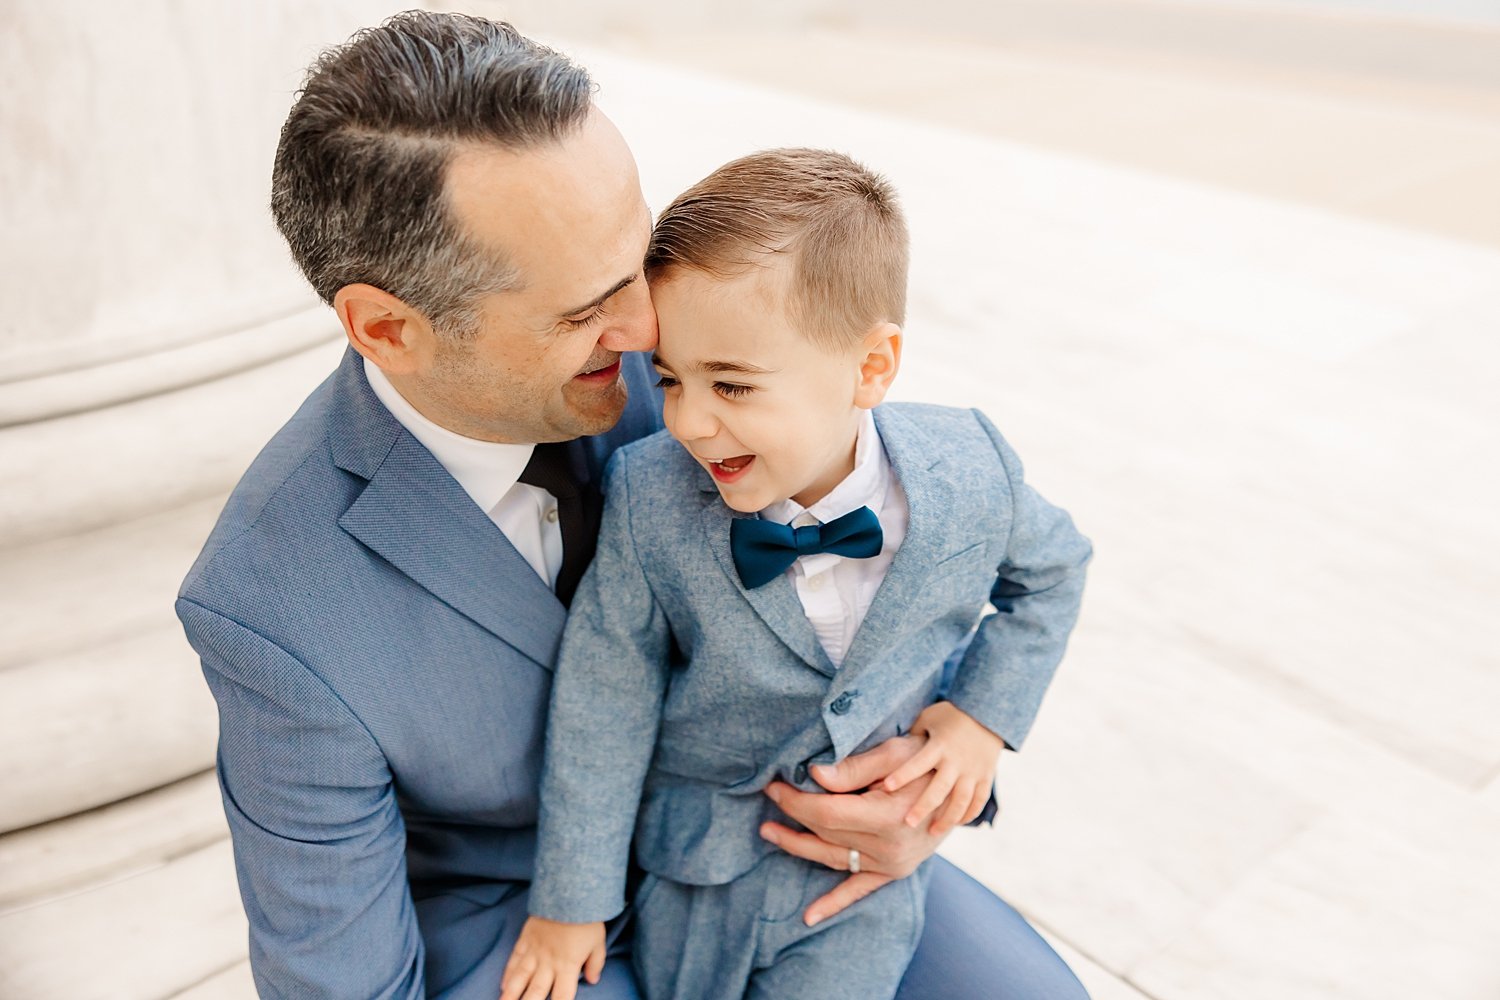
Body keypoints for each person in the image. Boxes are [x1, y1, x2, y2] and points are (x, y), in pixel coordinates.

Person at [176, 11, 1092, 999]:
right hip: (518, 932)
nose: (650, 327)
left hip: (785, 849)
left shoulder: (701, 369)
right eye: (583, 311)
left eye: (639, 261)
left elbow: (904, 562)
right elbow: (340, 980)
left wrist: (936, 768)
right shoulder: (268, 605)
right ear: (388, 328)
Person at [498, 149, 1092, 1000]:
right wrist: (572, 901)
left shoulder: (970, 473)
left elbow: (1056, 573)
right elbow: (606, 696)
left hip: (864, 893)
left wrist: (979, 720)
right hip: (699, 872)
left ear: (872, 367)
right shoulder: (651, 495)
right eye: (670, 379)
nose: (691, 423)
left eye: (733, 386)